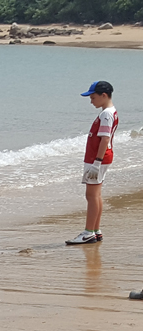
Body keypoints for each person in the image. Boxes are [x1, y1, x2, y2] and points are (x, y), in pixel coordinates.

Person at [67, 80, 117, 245]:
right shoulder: (109, 111)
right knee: (96, 195)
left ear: (104, 95)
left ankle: (89, 232)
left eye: (93, 97)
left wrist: (97, 161)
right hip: (101, 157)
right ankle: (95, 230)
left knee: (91, 195)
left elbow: (104, 139)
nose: (91, 101)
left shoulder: (106, 114)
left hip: (98, 158)